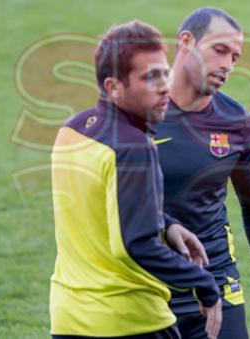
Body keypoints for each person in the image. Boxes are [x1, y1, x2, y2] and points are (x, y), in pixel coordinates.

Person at [49, 20, 222, 339]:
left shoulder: (72, 129)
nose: (164, 86)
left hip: (69, 319)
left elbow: (102, 202)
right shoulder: (134, 147)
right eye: (149, 77)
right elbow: (135, 244)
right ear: (114, 87)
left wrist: (167, 223)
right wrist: (205, 285)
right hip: (131, 322)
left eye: (164, 73)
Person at [153, 7, 250, 338]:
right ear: (186, 41)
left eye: (235, 57)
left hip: (216, 284)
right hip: (147, 287)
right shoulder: (138, 113)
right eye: (219, 50)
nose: (227, 64)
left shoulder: (236, 123)